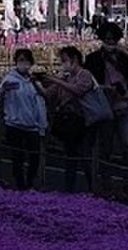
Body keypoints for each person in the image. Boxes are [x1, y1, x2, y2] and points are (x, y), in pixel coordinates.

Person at [84, 23, 128, 198]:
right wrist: (103, 88)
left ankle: (127, 185)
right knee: (105, 148)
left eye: (113, 39)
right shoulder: (94, 59)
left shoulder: (123, 57)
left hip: (124, 106)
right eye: (107, 38)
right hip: (105, 108)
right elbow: (88, 82)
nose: (110, 42)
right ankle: (106, 185)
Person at [38, 46, 103, 194]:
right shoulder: (64, 77)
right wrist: (38, 83)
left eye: (64, 60)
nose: (62, 64)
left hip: (84, 120)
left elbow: (78, 90)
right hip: (68, 121)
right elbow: (48, 94)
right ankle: (69, 189)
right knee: (70, 154)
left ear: (74, 60)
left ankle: (93, 187)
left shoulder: (85, 74)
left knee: (85, 153)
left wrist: (57, 80)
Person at [0, 47, 48, 190]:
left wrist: (36, 82)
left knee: (34, 157)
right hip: (15, 124)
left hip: (32, 125)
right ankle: (20, 184)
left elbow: (44, 95)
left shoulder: (33, 81)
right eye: (20, 60)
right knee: (18, 157)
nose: (23, 63)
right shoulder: (10, 79)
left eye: (26, 60)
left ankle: (30, 182)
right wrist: (3, 89)